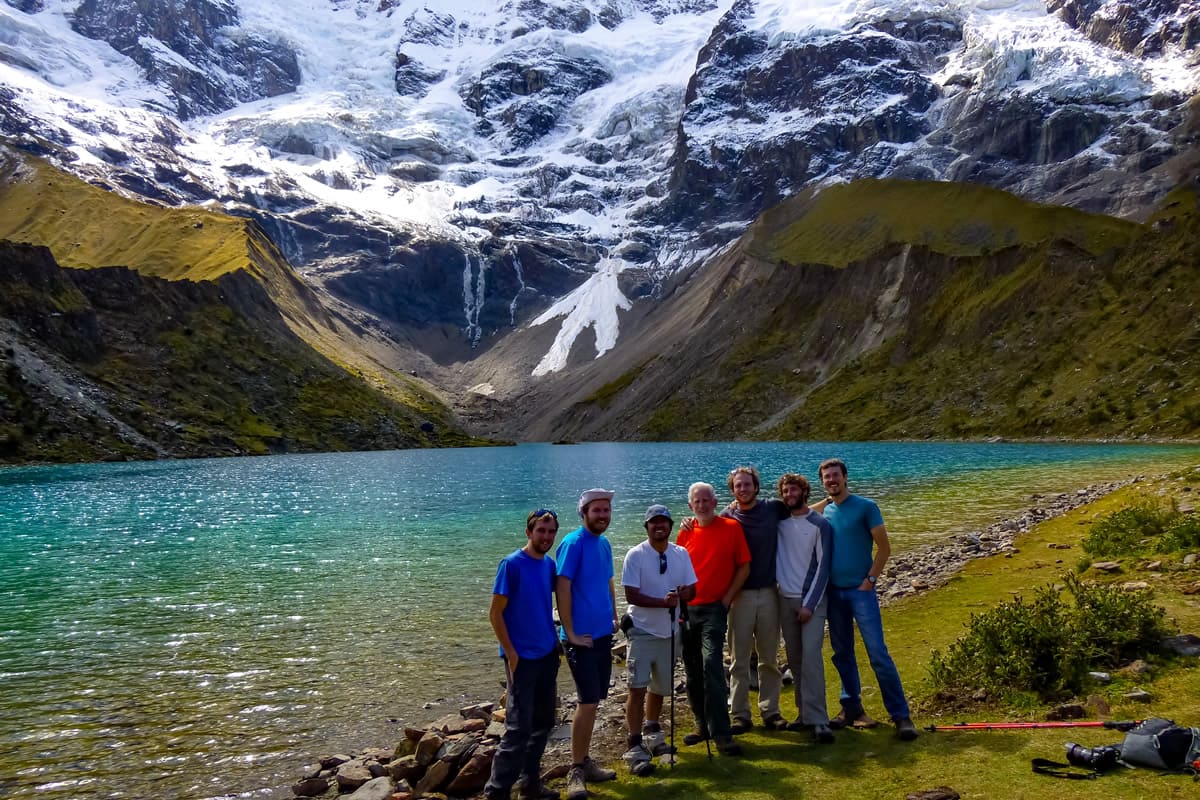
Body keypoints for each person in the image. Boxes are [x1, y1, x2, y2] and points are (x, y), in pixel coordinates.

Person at [818, 458, 919, 741]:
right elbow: (796, 514)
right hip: (834, 593)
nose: (831, 480)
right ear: (822, 482)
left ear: (846, 477)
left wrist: (870, 581)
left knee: (877, 654)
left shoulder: (866, 507)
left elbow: (884, 548)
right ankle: (850, 707)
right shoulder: (825, 509)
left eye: (835, 475)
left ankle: (901, 716)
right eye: (826, 477)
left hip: (860, 592)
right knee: (842, 653)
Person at [484, 509, 563, 800]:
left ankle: (529, 785)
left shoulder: (549, 565)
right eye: (541, 531)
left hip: (547, 653)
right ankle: (497, 791)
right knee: (518, 728)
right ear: (528, 533)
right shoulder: (511, 564)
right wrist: (510, 653)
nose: (546, 536)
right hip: (522, 659)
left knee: (543, 724)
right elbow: (495, 613)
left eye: (551, 531)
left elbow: (563, 595)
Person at [619, 504, 698, 775]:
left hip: (670, 632)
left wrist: (686, 594)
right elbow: (631, 595)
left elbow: (692, 589)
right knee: (637, 688)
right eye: (654, 522)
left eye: (663, 521)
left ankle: (653, 734)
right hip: (642, 630)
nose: (659, 526)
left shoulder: (681, 553)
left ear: (671, 526)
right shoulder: (635, 554)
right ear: (647, 527)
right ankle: (633, 743)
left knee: (660, 687)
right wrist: (661, 603)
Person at [676, 481, 750, 756]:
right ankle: (701, 725)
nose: (703, 505)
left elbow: (744, 566)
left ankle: (722, 731)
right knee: (692, 670)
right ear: (690, 505)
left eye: (707, 500)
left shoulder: (731, 528)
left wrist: (727, 598)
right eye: (697, 501)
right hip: (687, 610)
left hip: (714, 609)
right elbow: (676, 568)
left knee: (712, 665)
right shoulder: (684, 533)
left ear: (715, 502)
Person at [556, 489, 620, 800]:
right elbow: (562, 586)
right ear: (584, 512)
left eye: (606, 510)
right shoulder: (572, 542)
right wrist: (568, 632)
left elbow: (608, 580)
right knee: (587, 702)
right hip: (580, 638)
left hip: (602, 634)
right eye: (597, 510)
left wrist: (615, 614)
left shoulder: (604, 544)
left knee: (595, 700)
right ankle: (575, 770)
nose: (603, 515)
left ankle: (585, 761)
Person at [723, 466, 790, 733]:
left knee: (769, 657)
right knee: (738, 659)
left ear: (756, 487)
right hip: (739, 596)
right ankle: (740, 713)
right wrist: (687, 524)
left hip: (770, 592)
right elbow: (706, 530)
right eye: (738, 486)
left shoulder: (773, 508)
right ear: (732, 490)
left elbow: (801, 510)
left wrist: (831, 501)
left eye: (747, 484)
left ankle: (770, 711)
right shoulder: (727, 515)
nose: (743, 489)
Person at [774, 473, 835, 743]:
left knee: (811, 658)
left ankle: (820, 720)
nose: (789, 495)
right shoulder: (779, 521)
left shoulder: (820, 525)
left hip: (811, 600)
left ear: (804, 492)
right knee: (795, 660)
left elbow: (824, 568)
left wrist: (809, 604)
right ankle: (803, 715)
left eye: (794, 490)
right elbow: (738, 510)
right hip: (784, 599)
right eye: (785, 491)